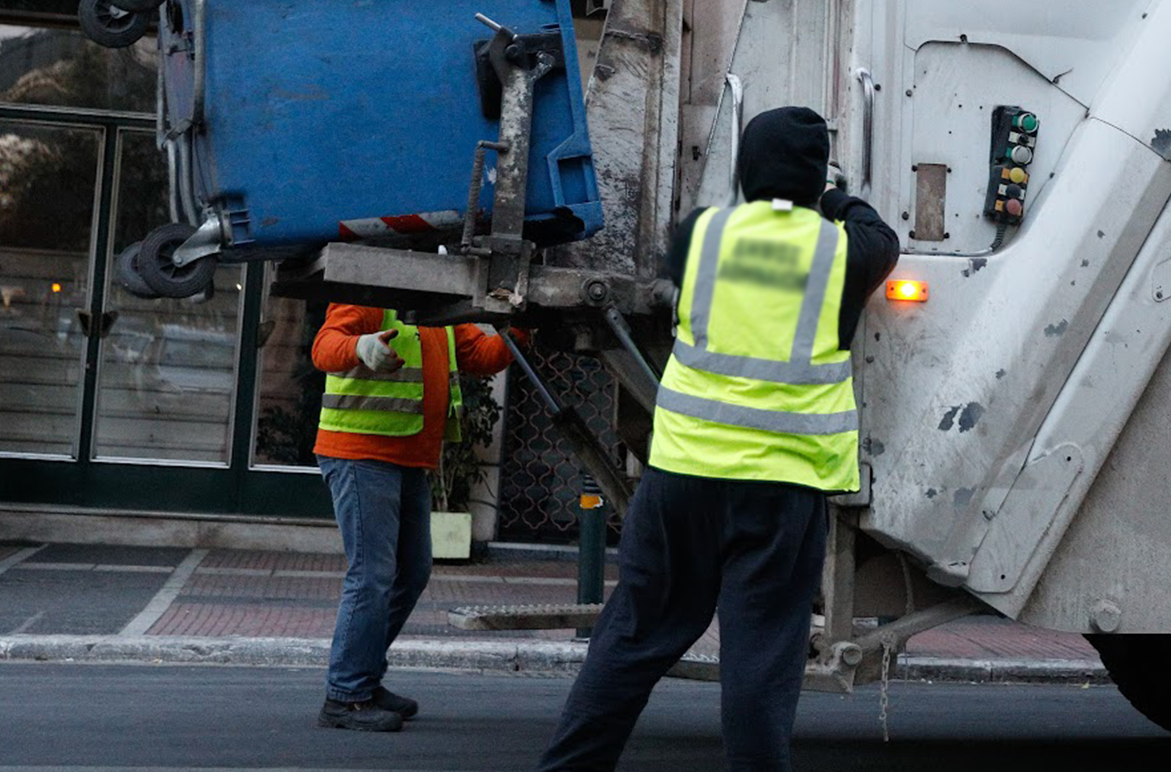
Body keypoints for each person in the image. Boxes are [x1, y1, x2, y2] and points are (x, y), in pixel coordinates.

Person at [535, 106, 900, 771]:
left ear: (746, 167)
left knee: (631, 638)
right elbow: (880, 233)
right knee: (760, 661)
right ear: (814, 178)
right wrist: (835, 197)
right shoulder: (843, 250)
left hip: (680, 477)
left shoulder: (699, 237)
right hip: (780, 489)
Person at [312, 303, 522, 732]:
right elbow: (324, 348)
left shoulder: (438, 305)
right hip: (362, 452)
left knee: (412, 571)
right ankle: (346, 694)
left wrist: (524, 330)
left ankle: (362, 678)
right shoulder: (371, 290)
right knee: (372, 575)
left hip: (408, 457)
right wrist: (361, 346)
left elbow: (482, 355)